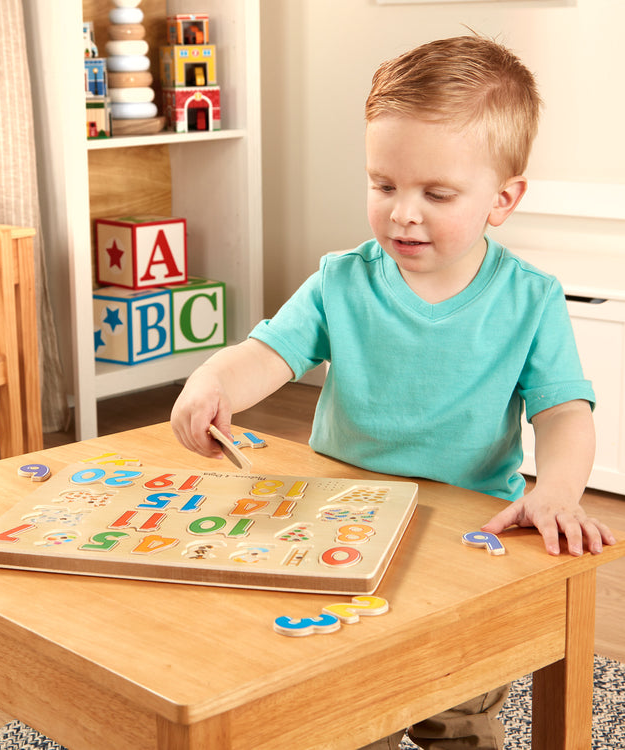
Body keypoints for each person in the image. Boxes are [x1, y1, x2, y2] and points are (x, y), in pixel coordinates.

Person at [170, 33, 616, 750]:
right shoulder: (340, 281)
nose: (403, 212)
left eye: (436, 194)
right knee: (345, 708)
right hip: (335, 529)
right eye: (383, 185)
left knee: (458, 711)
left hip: (462, 548)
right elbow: (266, 354)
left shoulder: (530, 300)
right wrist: (213, 381)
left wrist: (559, 489)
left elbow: (565, 412)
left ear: (503, 200)